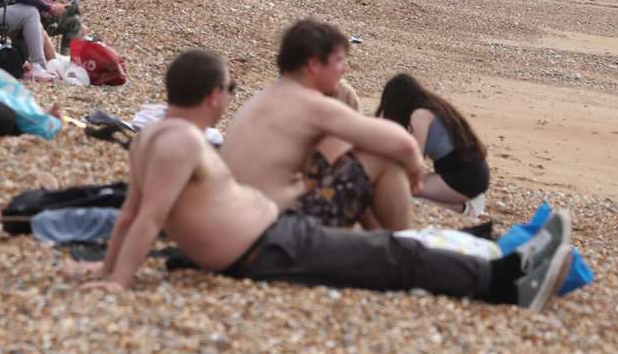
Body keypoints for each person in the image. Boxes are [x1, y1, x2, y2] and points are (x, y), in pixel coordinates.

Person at [67, 47, 575, 311]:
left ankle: (507, 268)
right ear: (215, 96)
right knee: (392, 256)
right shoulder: (179, 142)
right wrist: (118, 280)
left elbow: (134, 210)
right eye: (230, 88)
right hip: (266, 249)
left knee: (387, 253)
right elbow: (148, 215)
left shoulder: (155, 136)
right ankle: (507, 284)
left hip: (273, 237)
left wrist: (106, 270)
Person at [220, 18, 423, 232]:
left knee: (350, 163)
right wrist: (415, 167)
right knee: (383, 158)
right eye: (339, 61)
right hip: (275, 233)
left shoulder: (266, 98)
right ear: (313, 64)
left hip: (238, 227)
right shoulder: (309, 103)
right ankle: (404, 250)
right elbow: (403, 144)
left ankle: (383, 243)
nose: (345, 69)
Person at [374, 73, 492, 219]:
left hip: (465, 178)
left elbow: (415, 158)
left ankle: (465, 208)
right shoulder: (433, 105)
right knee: (407, 189)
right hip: (473, 171)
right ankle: (467, 201)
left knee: (408, 191)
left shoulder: (419, 115)